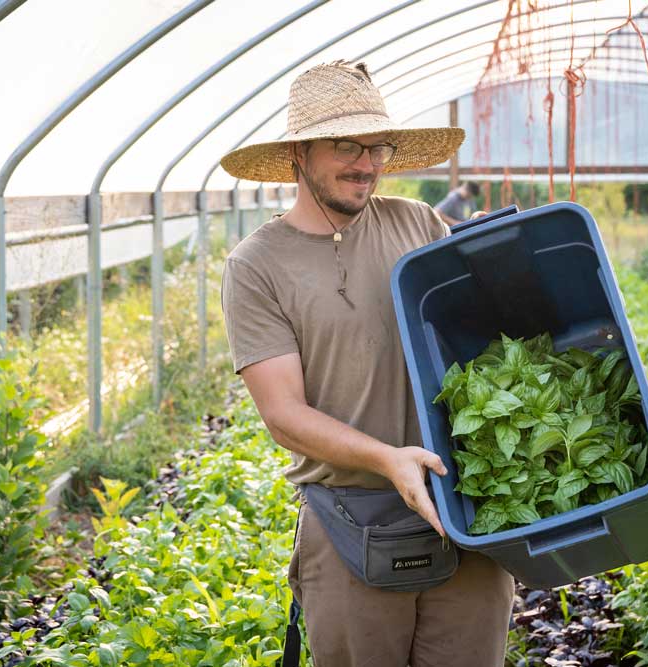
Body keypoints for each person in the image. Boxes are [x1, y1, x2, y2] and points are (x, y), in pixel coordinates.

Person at [219, 61, 513, 666]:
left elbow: (473, 332)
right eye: (347, 145)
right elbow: (283, 415)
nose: (368, 163)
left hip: (464, 504)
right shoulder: (258, 266)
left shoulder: (417, 222)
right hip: (352, 518)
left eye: (378, 146)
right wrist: (388, 459)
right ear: (299, 152)